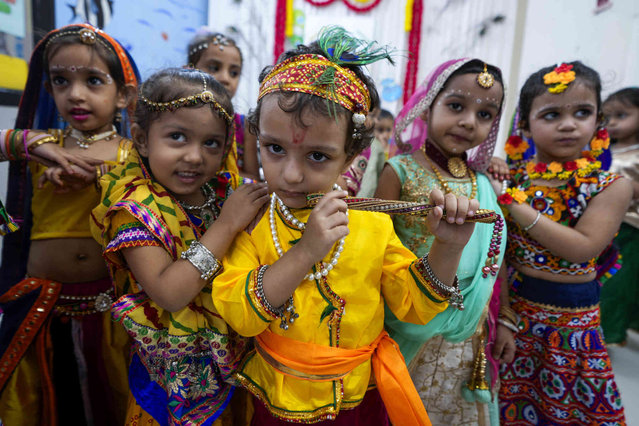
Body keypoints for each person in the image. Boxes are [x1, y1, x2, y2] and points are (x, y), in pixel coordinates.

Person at [212, 27, 483, 425]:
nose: (290, 174)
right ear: (256, 138)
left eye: (318, 156)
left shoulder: (371, 223)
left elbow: (416, 305)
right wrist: (306, 251)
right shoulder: (251, 220)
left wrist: (448, 247)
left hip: (358, 400)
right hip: (276, 397)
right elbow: (242, 316)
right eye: (274, 148)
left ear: (351, 156)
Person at [89, 67, 269, 425]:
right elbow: (170, 294)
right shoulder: (135, 208)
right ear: (141, 139)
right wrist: (228, 224)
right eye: (177, 137)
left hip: (235, 363)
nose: (194, 156)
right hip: (170, 380)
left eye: (211, 143)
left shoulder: (222, 190)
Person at [0, 24, 139, 426]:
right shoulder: (45, 146)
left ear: (124, 96)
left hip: (112, 315)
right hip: (41, 311)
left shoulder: (134, 154)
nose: (75, 94)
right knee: (49, 407)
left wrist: (101, 178)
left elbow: (161, 204)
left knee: (111, 403)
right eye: (61, 81)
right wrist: (31, 143)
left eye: (93, 81)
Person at [494, 61, 630, 425]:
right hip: (518, 315)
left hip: (573, 326)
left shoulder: (611, 186)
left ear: (598, 120)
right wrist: (504, 317)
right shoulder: (514, 179)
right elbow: (501, 253)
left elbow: (582, 246)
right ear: (524, 124)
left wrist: (511, 203)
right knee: (513, 404)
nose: (568, 124)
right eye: (551, 114)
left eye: (582, 112)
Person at [377, 58, 508, 424]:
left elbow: (495, 257)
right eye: (456, 106)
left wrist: (507, 317)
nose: (469, 121)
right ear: (428, 104)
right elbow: (376, 250)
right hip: (407, 320)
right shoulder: (399, 170)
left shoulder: (483, 181)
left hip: (469, 334)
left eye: (485, 114)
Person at [188, 28, 260, 179]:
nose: (225, 78)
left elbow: (253, 178)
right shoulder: (177, 116)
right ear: (189, 70)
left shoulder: (243, 125)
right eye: (214, 68)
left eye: (234, 73)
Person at [599, 88, 639, 346]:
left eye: (621, 115)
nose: (612, 123)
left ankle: (612, 333)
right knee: (603, 276)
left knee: (620, 282)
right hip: (603, 222)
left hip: (630, 226)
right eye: (608, 117)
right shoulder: (603, 149)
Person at [356, 108, 394, 197]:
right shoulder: (374, 145)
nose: (385, 135)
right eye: (380, 130)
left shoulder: (390, 150)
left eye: (388, 130)